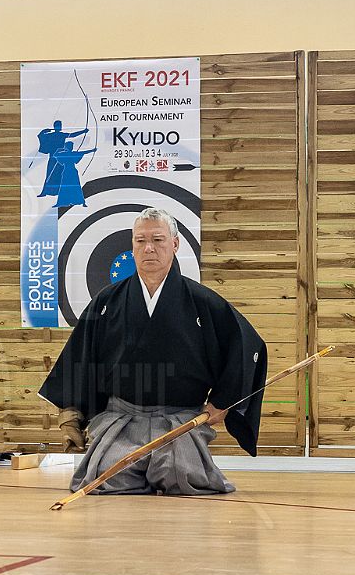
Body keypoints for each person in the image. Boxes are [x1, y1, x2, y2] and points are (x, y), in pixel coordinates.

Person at [39, 208, 268, 495]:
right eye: (140, 240)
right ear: (132, 246)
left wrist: (223, 401)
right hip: (121, 420)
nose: (149, 248)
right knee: (106, 479)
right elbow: (79, 357)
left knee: (182, 477)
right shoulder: (107, 302)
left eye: (158, 240)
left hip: (179, 420)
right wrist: (71, 416)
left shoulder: (203, 302)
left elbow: (247, 348)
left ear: (175, 244)